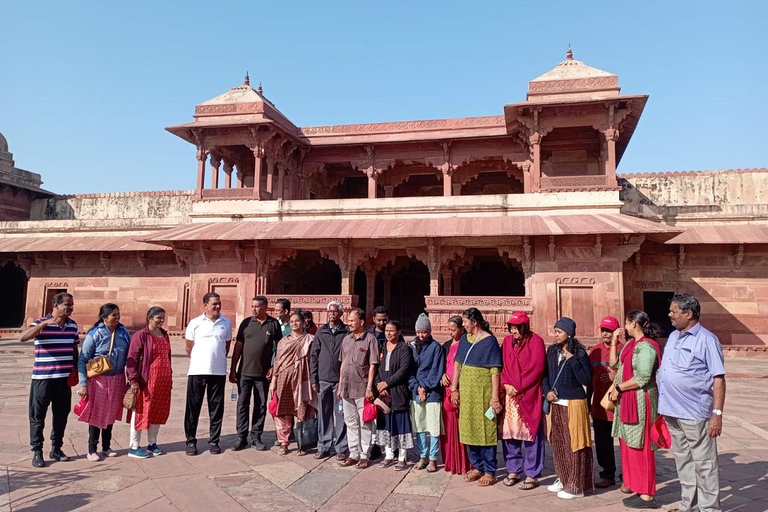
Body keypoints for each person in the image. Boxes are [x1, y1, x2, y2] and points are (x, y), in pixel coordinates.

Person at [658, 294, 726, 512]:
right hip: (672, 410)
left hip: (695, 412)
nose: (670, 314)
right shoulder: (674, 337)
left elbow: (718, 378)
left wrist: (717, 413)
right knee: (683, 461)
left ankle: (709, 509)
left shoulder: (707, 340)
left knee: (704, 463)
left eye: (674, 311)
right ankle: (689, 505)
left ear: (689, 314)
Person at [608, 311, 662, 510]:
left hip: (641, 400)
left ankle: (647, 494)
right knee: (629, 444)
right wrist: (615, 341)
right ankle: (637, 487)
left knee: (641, 445)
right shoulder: (631, 345)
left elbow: (643, 377)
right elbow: (614, 363)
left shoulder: (646, 347)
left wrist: (618, 388)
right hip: (629, 400)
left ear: (635, 324)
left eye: (627, 323)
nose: (624, 326)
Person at [20, 292, 79, 468]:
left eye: (71, 305)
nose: (70, 308)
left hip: (63, 379)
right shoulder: (40, 323)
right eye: (66, 305)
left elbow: (74, 348)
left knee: (61, 415)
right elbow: (22, 337)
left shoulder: (72, 325)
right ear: (55, 305)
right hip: (43, 378)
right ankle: (37, 451)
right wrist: (45, 324)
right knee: (38, 416)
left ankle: (56, 448)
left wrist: (75, 369)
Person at [449, 308, 502, 487]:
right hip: (467, 392)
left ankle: (489, 470)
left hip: (484, 392)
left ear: (475, 322)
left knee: (486, 428)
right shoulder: (465, 339)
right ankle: (477, 466)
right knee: (468, 427)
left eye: (465, 322)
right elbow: (457, 365)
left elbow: (495, 370)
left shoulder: (490, 341)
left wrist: (494, 397)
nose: (463, 325)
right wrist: (454, 389)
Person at [543, 317, 594, 500]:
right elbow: (545, 375)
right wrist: (547, 392)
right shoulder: (551, 351)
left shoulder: (579, 353)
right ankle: (563, 478)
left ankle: (577, 484)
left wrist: (572, 359)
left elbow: (586, 379)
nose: (556, 335)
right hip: (556, 403)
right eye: (555, 331)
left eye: (559, 332)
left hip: (574, 403)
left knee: (575, 444)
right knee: (558, 443)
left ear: (569, 333)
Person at [77, 303, 131, 461]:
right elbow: (83, 359)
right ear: (104, 317)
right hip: (99, 379)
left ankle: (106, 446)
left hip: (118, 378)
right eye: (113, 314)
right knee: (97, 413)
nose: (117, 317)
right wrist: (83, 383)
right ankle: (92, 448)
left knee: (111, 412)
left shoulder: (123, 332)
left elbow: (129, 357)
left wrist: (130, 379)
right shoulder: (95, 333)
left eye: (118, 314)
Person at [500, 312, 547, 490]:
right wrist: (505, 384)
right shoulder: (506, 342)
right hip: (510, 395)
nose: (514, 331)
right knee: (510, 434)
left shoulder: (536, 342)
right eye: (511, 327)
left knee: (531, 435)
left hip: (529, 395)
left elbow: (537, 369)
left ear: (524, 327)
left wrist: (518, 387)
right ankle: (513, 470)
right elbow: (503, 366)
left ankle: (533, 473)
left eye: (517, 327)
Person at [229, 296, 281, 451]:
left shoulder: (273, 324)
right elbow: (238, 347)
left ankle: (256, 436)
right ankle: (241, 437)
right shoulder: (246, 323)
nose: (254, 309)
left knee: (261, 405)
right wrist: (233, 369)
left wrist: (274, 366)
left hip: (263, 373)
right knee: (242, 405)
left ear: (265, 307)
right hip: (244, 372)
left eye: (257, 307)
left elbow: (279, 348)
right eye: (252, 306)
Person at [184, 292, 232, 456]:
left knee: (216, 408)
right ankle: (191, 441)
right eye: (214, 304)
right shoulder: (195, 323)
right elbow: (189, 347)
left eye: (219, 303)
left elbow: (226, 346)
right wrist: (202, 360)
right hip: (197, 370)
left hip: (218, 371)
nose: (217, 306)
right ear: (205, 305)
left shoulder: (225, 322)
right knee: (193, 408)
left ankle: (214, 441)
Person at [126, 306, 173, 459]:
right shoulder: (141, 335)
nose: (161, 320)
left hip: (162, 380)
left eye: (163, 318)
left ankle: (152, 442)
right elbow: (132, 359)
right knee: (140, 411)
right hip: (146, 380)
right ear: (149, 318)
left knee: (157, 411)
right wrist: (133, 380)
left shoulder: (164, 335)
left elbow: (168, 357)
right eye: (158, 317)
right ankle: (134, 446)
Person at [269, 312, 317, 455]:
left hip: (303, 380)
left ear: (304, 322)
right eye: (292, 321)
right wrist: (273, 382)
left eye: (297, 321)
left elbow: (314, 361)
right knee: (283, 412)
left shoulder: (311, 340)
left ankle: (304, 444)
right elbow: (277, 362)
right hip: (284, 380)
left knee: (304, 411)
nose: (295, 324)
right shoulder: (284, 341)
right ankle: (284, 442)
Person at [337, 307, 379, 469]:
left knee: (365, 422)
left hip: (362, 388)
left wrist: (369, 388)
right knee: (350, 422)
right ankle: (353, 453)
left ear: (361, 322)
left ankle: (364, 455)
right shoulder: (346, 339)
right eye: (349, 321)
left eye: (353, 321)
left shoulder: (370, 340)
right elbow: (342, 364)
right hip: (347, 387)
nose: (349, 324)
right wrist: (340, 385)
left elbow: (373, 366)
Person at [310, 301, 350, 460]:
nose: (332, 314)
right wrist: (314, 377)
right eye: (330, 312)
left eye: (335, 311)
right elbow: (314, 355)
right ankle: (324, 445)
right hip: (324, 379)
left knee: (341, 414)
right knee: (324, 414)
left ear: (341, 313)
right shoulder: (321, 331)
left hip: (340, 380)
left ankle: (341, 447)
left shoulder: (346, 332)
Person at [373, 320, 414, 470]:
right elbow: (376, 367)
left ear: (399, 332)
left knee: (400, 423)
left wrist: (387, 383)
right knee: (385, 422)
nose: (388, 333)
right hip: (383, 392)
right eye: (386, 331)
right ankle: (389, 454)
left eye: (391, 331)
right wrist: (378, 384)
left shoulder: (404, 349)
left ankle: (402, 457)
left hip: (398, 391)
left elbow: (404, 369)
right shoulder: (382, 346)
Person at [589, 316, 623, 489]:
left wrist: (614, 376)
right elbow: (589, 381)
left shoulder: (624, 350)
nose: (605, 333)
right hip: (601, 407)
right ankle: (607, 474)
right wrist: (588, 401)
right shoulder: (594, 351)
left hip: (621, 406)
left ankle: (628, 475)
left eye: (608, 330)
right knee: (602, 443)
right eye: (603, 330)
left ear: (617, 331)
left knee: (625, 442)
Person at [409, 313, 444, 472]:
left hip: (432, 392)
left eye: (424, 332)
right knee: (420, 425)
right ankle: (422, 456)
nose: (421, 335)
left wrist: (425, 387)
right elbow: (408, 370)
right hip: (417, 391)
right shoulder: (411, 347)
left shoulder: (436, 347)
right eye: (419, 332)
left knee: (434, 426)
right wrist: (417, 388)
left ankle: (433, 458)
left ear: (429, 331)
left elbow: (436, 371)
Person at [440, 315, 470, 475]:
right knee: (449, 425)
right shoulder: (446, 345)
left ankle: (464, 463)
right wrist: (442, 375)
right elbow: (442, 365)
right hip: (447, 389)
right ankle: (451, 462)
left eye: (453, 330)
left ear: (461, 329)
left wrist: (456, 387)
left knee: (461, 426)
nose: (451, 333)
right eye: (449, 329)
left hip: (460, 390)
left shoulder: (466, 344)